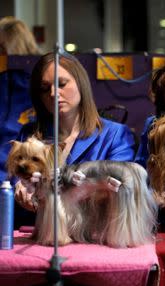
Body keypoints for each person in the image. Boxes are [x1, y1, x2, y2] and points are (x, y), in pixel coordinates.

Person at [14, 52, 135, 226]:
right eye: (44, 88)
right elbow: (8, 183)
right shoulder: (28, 134)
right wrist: (19, 186)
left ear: (81, 84)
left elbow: (122, 189)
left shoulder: (116, 135)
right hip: (37, 234)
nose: (54, 93)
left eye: (61, 84)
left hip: (93, 236)